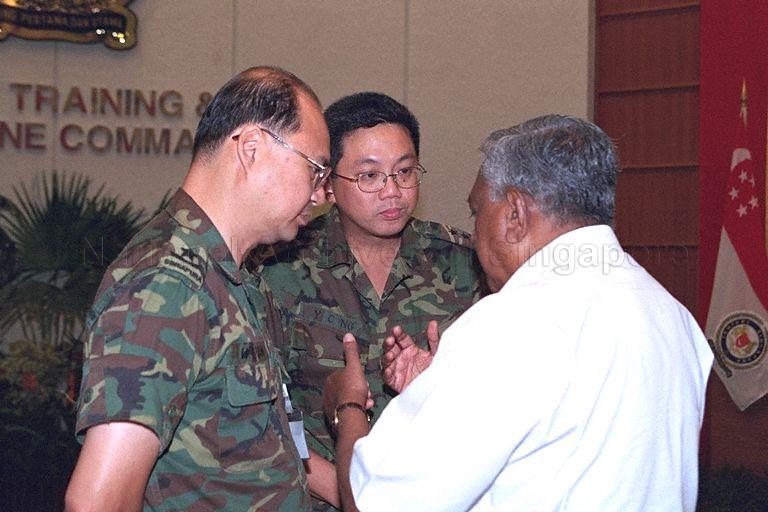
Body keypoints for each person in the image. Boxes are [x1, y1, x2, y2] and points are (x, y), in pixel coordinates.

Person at [324, 114, 714, 511]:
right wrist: (442, 388)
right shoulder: (674, 316)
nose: (474, 236)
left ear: (514, 214)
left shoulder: (510, 325)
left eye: (477, 213)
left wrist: (347, 405)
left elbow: (374, 502)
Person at [65, 66, 330, 511]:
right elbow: (97, 502)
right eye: (316, 170)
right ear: (251, 148)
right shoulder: (167, 282)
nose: (321, 194)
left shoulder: (226, 276)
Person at [252, 92, 482, 510]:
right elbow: (262, 413)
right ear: (329, 186)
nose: (392, 191)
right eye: (370, 176)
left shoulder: (466, 264)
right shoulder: (280, 267)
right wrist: (349, 494)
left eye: (405, 171)